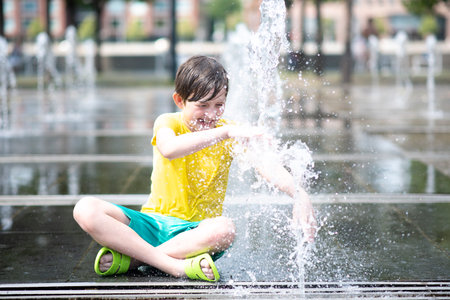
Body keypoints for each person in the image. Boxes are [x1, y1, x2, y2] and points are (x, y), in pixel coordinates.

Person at [73, 55, 317, 282]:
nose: (211, 114)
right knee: (85, 209)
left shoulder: (228, 132)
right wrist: (223, 132)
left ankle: (136, 259)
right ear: (180, 100)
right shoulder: (169, 122)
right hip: (153, 224)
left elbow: (266, 165)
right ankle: (175, 266)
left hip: (196, 236)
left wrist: (299, 194)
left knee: (225, 230)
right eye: (203, 105)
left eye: (219, 105)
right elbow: (169, 148)